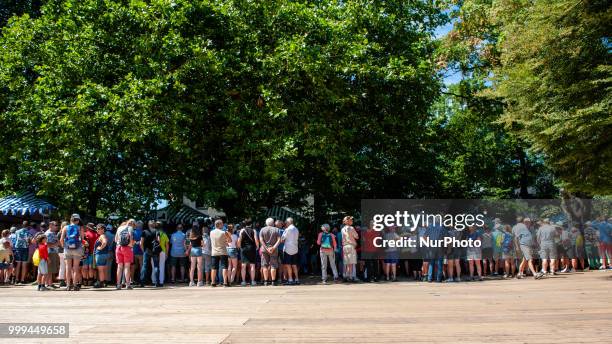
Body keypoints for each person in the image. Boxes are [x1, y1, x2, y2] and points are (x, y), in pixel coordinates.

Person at [60, 214, 85, 291]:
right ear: (77, 221)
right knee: (76, 267)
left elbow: (61, 239)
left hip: (67, 249)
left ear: (71, 220)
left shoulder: (65, 227)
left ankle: (68, 285)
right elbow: (82, 239)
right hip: (77, 249)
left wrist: (64, 246)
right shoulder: (80, 228)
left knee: (68, 267)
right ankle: (74, 285)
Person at [259, 217, 281, 286]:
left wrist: (266, 247)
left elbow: (261, 240)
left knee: (265, 265)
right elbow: (279, 240)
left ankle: (265, 281)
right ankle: (273, 281)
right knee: (273, 265)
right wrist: (273, 248)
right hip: (273, 250)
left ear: (266, 223)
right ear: (273, 223)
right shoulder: (276, 229)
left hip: (264, 249)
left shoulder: (262, 229)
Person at [114, 220, 135, 290]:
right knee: (127, 267)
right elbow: (131, 237)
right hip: (127, 248)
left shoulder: (119, 228)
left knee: (119, 267)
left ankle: (118, 284)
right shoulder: (130, 228)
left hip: (118, 248)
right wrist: (131, 245)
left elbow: (115, 239)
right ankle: (128, 284)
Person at [210, 219, 232, 287]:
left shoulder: (211, 232)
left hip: (214, 252)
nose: (223, 225)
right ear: (219, 224)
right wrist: (227, 236)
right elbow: (230, 240)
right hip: (223, 251)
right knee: (224, 267)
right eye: (222, 224)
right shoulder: (223, 232)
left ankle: (213, 282)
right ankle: (225, 282)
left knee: (214, 268)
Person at [238, 219, 259, 286]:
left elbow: (239, 240)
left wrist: (239, 247)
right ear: (251, 224)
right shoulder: (254, 230)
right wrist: (257, 247)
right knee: (252, 265)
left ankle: (243, 281)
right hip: (252, 248)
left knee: (243, 265)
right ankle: (253, 281)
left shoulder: (242, 230)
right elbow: (256, 239)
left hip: (244, 249)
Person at [281, 217, 300, 285]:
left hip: (288, 249)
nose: (285, 223)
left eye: (286, 222)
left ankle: (290, 279)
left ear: (288, 222)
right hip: (295, 249)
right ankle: (297, 279)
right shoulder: (296, 229)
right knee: (294, 265)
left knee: (288, 265)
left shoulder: (287, 229)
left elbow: (282, 239)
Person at [341, 216, 359, 283]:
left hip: (345, 246)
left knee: (347, 263)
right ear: (348, 221)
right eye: (351, 220)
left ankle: (346, 276)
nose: (352, 221)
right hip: (351, 246)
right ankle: (350, 277)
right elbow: (356, 236)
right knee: (351, 263)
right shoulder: (351, 228)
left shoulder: (342, 229)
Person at [152, 221, 169, 287]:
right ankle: (161, 281)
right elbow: (167, 245)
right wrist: (167, 253)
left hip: (153, 251)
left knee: (154, 266)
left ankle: (154, 280)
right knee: (162, 266)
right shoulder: (164, 234)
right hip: (162, 251)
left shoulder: (152, 233)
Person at [44, 221, 60, 288]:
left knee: (51, 269)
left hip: (53, 252)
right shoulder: (48, 234)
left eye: (57, 225)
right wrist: (56, 244)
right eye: (55, 225)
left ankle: (50, 283)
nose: (57, 226)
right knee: (49, 269)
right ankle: (48, 284)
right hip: (50, 253)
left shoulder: (52, 233)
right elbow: (46, 244)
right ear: (50, 225)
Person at [93, 224, 109, 288]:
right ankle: (104, 282)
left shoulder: (102, 236)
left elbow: (105, 242)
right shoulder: (103, 235)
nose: (97, 230)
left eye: (99, 229)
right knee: (104, 269)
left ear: (103, 230)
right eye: (97, 229)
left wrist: (100, 248)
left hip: (100, 254)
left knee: (100, 270)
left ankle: (101, 283)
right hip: (104, 254)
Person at [131, 221, 144, 285]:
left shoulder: (133, 232)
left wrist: (135, 243)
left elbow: (131, 241)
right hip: (141, 251)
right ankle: (141, 279)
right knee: (141, 265)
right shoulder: (143, 232)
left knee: (133, 266)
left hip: (133, 251)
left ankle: (132, 280)